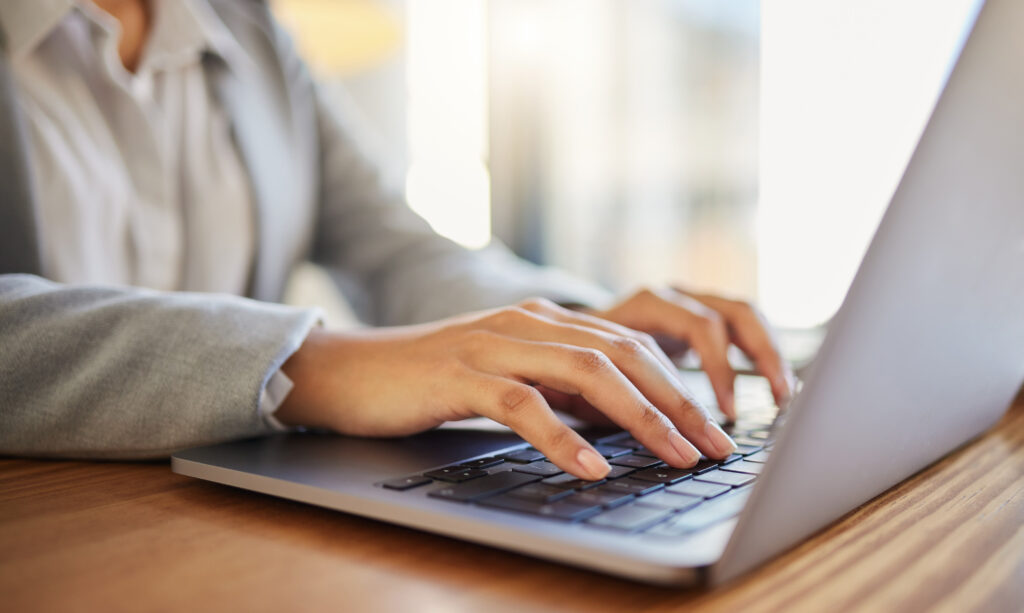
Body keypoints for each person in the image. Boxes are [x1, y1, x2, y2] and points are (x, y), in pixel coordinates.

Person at [0, 0, 792, 481]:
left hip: (206, 510)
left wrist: (584, 332)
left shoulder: (250, 33)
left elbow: (396, 249)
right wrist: (315, 364)